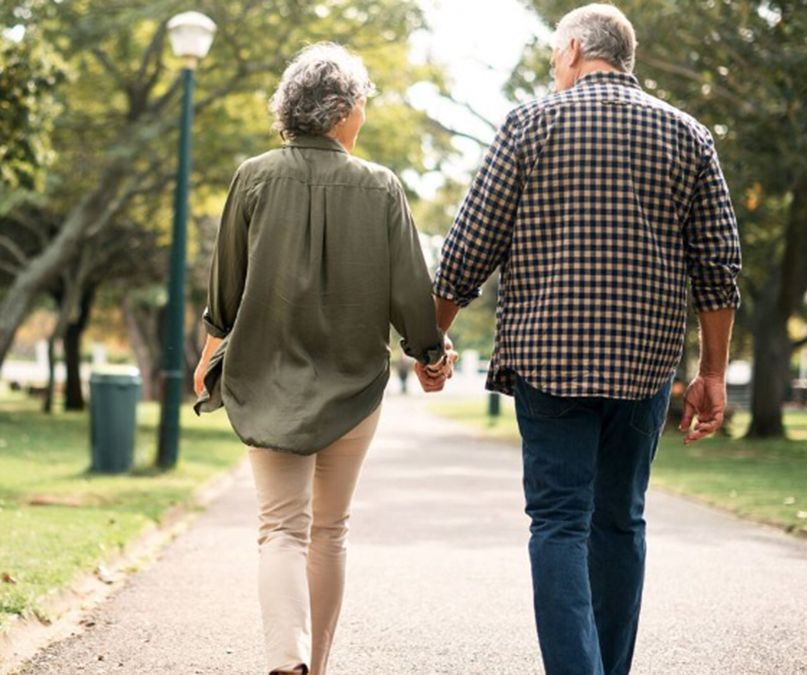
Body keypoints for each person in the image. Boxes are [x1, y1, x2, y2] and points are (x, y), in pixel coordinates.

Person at [423, 4, 742, 674]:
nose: (551, 67)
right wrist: (712, 371)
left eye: (550, 56)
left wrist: (431, 343)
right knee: (621, 521)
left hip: (550, 362)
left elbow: (467, 252)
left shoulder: (528, 125)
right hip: (644, 367)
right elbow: (719, 266)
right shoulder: (688, 135)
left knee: (560, 523)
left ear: (572, 49)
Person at [192, 43, 452, 675]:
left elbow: (226, 287)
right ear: (342, 111)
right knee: (328, 530)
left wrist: (208, 357)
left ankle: (288, 658)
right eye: (361, 102)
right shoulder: (382, 186)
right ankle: (318, 665)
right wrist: (429, 355)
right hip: (352, 388)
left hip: (265, 375)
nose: (362, 114)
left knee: (280, 528)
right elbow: (409, 292)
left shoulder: (253, 176)